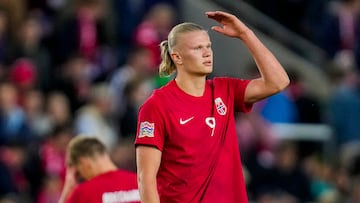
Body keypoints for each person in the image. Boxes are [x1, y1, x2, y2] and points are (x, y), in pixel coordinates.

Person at [135, 10, 290, 203]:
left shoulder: (225, 89)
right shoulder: (157, 105)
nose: (207, 52)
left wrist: (245, 34)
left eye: (208, 46)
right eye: (197, 48)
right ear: (177, 57)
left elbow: (279, 82)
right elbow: (146, 178)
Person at [58, 136, 140, 203]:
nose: (82, 177)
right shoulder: (139, 182)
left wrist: (67, 190)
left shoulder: (84, 193)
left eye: (78, 173)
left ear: (84, 162)